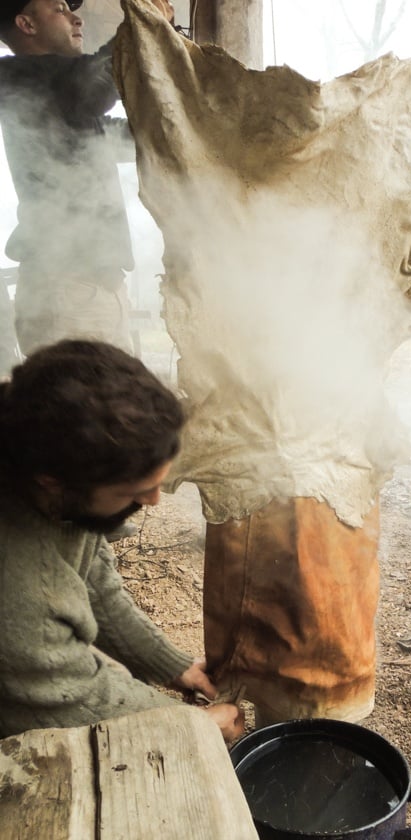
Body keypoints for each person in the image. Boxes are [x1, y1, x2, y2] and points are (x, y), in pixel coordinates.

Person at [0, 339, 243, 741]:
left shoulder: (40, 456)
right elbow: (74, 698)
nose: (153, 501)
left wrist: (170, 664)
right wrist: (199, 725)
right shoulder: (22, 591)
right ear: (52, 481)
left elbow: (96, 585)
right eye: (134, 492)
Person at [0, 0, 171, 356]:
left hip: (92, 290)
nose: (75, 17)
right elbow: (90, 90)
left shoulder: (58, 94)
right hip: (68, 292)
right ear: (26, 24)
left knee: (114, 408)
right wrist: (140, 27)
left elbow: (117, 138)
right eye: (59, 8)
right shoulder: (16, 76)